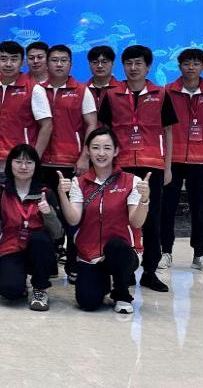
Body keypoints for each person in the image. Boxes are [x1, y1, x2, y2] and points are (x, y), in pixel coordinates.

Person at [97, 44, 177, 293]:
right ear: (123, 66)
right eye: (129, 63)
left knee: (152, 220)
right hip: (121, 166)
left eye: (138, 63)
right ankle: (126, 269)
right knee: (120, 219)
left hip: (152, 165)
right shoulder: (111, 95)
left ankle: (150, 272)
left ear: (148, 67)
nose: (133, 68)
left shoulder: (161, 94)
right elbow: (104, 132)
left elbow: (168, 132)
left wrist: (168, 167)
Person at [54, 127, 149, 313]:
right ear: (88, 150)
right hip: (90, 254)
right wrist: (62, 195)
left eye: (107, 148)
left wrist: (144, 200)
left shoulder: (132, 181)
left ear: (116, 151)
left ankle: (121, 294)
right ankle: (103, 280)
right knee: (87, 302)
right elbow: (73, 219)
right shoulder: (79, 182)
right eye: (96, 147)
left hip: (123, 252)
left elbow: (136, 222)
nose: (101, 153)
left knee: (116, 247)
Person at [161, 48, 203, 274]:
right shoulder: (167, 91)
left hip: (201, 161)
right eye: (186, 63)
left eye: (196, 63)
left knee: (200, 210)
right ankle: (165, 252)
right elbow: (163, 125)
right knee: (167, 209)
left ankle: (199, 255)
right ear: (179, 65)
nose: (191, 67)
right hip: (173, 160)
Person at [38, 44, 98, 278]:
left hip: (72, 163)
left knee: (74, 216)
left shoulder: (82, 90)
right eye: (54, 60)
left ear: (71, 64)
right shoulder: (38, 90)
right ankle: (48, 264)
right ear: (47, 63)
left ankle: (74, 264)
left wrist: (85, 156)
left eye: (64, 60)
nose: (59, 64)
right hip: (43, 164)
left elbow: (91, 125)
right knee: (45, 215)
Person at [0, 144, 62, 311]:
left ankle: (40, 289)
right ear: (10, 164)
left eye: (29, 162)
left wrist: (48, 213)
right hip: (10, 247)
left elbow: (57, 233)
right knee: (10, 292)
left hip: (38, 250)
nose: (23, 167)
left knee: (40, 238)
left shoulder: (46, 193)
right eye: (18, 162)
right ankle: (19, 282)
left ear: (36, 165)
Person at [0, 41, 52, 191]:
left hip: (22, 167)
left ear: (22, 62)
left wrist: (33, 159)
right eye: (4, 59)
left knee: (22, 205)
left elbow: (47, 125)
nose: (8, 64)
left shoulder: (34, 89)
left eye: (14, 59)